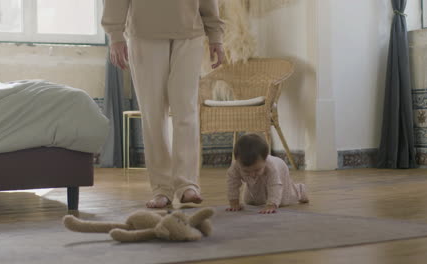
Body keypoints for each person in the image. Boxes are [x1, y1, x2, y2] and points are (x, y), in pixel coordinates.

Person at [101, 0, 225, 208]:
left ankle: (187, 185)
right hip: (144, 33)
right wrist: (115, 35)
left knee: (187, 112)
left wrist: (216, 36)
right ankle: (161, 188)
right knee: (153, 115)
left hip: (190, 33)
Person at [226, 133, 309, 214]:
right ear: (237, 162)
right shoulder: (235, 167)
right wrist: (234, 202)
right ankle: (261, 194)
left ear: (265, 160)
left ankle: (300, 190)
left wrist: (271, 204)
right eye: (246, 171)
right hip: (256, 182)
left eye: (257, 170)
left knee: (284, 200)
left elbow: (274, 185)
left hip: (280, 168)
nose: (252, 174)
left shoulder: (271, 167)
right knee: (250, 201)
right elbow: (232, 184)